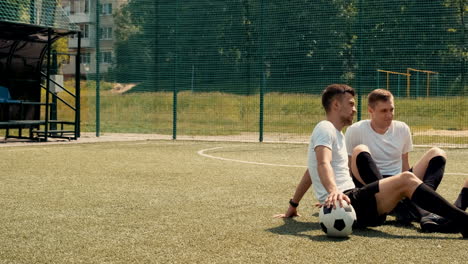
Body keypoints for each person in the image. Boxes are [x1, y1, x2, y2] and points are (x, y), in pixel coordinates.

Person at [275, 84, 468, 238]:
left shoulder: (337, 135)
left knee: (406, 179)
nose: (354, 109)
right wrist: (333, 190)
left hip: (356, 200)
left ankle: (443, 218)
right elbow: (322, 164)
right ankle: (462, 220)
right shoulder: (324, 127)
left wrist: (293, 205)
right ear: (335, 105)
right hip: (348, 199)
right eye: (350, 104)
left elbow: (311, 171)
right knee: (406, 179)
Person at [345, 89, 448, 230]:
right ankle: (413, 209)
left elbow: (405, 165)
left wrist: (409, 187)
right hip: (372, 185)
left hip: (401, 180)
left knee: (437, 153)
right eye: (384, 111)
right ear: (371, 110)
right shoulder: (356, 130)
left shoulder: (402, 129)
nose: (389, 115)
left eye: (391, 110)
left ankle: (420, 204)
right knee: (360, 150)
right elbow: (349, 167)